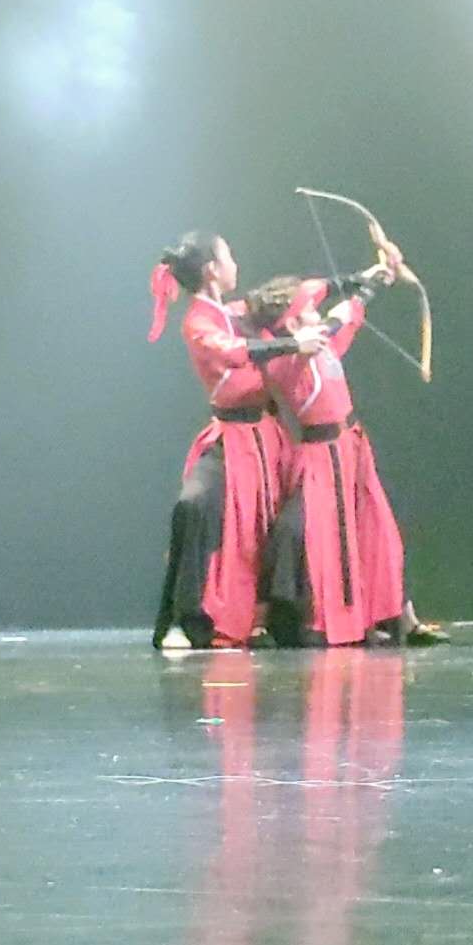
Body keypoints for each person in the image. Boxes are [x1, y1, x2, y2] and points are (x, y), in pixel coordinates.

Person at [244, 267, 449, 647]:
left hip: (351, 450)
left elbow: (340, 320)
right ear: (292, 324)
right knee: (297, 531)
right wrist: (357, 296)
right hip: (320, 458)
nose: (315, 312)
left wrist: (372, 280)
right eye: (307, 310)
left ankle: (402, 619)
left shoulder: (320, 346)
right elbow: (332, 324)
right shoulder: (285, 362)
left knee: (380, 532)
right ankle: (272, 619)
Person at [146, 233, 328, 649]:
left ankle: (271, 617)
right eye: (228, 256)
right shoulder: (199, 323)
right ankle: (183, 619)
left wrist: (365, 280)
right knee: (194, 505)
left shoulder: (236, 311)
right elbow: (233, 351)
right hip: (232, 438)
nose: (235, 263)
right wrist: (292, 344)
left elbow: (296, 296)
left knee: (278, 524)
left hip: (268, 438)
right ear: (212, 269)